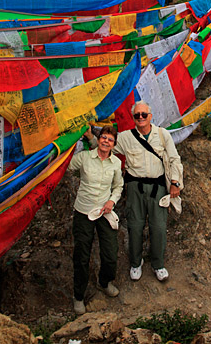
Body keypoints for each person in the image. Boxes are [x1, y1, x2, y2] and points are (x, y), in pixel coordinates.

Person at [114, 100, 183, 282]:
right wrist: (90, 137)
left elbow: (174, 159)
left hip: (158, 188)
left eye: (144, 114)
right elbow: (106, 145)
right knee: (135, 226)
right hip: (135, 188)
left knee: (158, 227)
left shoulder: (162, 135)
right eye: (137, 115)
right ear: (133, 118)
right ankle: (136, 263)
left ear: (150, 116)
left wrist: (175, 183)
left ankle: (158, 264)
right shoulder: (125, 137)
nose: (141, 118)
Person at [69, 125, 123, 315]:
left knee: (110, 252)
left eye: (110, 139)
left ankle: (105, 282)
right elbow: (66, 167)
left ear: (114, 144)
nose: (106, 141)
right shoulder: (84, 158)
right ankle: (78, 297)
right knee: (82, 256)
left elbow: (118, 186)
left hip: (104, 212)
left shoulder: (116, 163)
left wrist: (111, 200)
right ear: (98, 139)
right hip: (83, 212)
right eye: (104, 138)